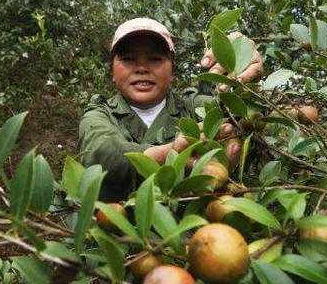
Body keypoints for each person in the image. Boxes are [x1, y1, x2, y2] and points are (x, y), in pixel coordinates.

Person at [76, 18, 263, 201]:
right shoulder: (100, 113)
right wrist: (171, 154)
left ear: (172, 67)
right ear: (112, 71)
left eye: (155, 58)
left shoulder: (194, 106)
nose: (141, 68)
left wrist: (244, 71)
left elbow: (244, 117)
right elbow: (101, 154)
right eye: (128, 59)